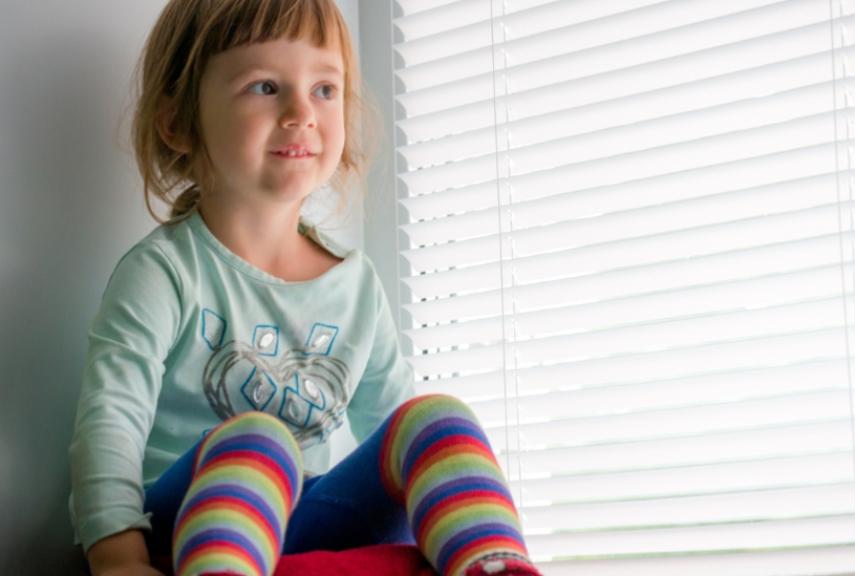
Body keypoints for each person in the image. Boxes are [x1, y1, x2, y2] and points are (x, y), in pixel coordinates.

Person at [68, 1, 542, 575]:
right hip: (186, 526)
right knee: (259, 441)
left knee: (435, 420)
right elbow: (110, 422)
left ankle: (493, 566)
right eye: (265, 86)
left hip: (303, 533)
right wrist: (117, 558)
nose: (301, 113)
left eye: (324, 89)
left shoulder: (356, 285)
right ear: (179, 124)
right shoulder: (165, 272)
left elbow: (392, 440)